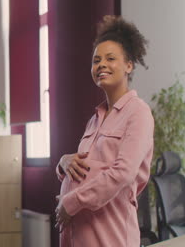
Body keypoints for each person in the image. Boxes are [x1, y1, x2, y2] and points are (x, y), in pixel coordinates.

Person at [54, 15, 154, 247]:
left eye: (110, 58)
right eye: (96, 60)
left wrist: (72, 202)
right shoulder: (95, 119)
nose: (101, 65)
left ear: (129, 65)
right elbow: (86, 167)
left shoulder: (138, 113)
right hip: (78, 235)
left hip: (111, 236)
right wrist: (63, 162)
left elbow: (123, 173)